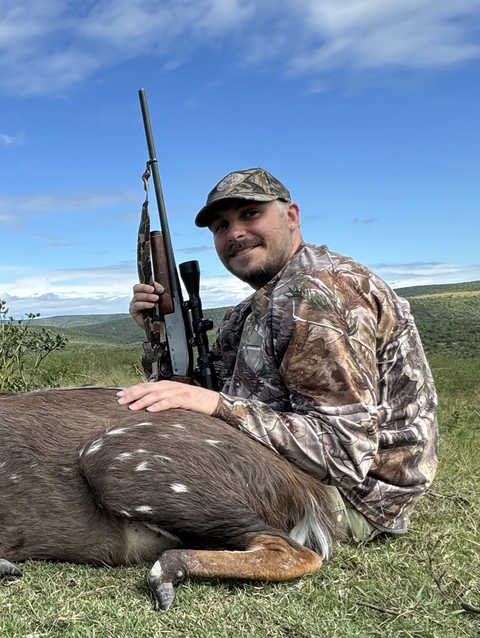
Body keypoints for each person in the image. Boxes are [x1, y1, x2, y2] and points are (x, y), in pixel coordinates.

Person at [119, 168, 438, 539]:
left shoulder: (316, 296)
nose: (235, 233)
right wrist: (155, 332)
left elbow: (342, 453)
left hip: (355, 500)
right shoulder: (252, 308)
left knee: (145, 471)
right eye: (221, 226)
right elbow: (190, 393)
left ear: (291, 216)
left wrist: (216, 405)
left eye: (250, 215)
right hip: (293, 471)